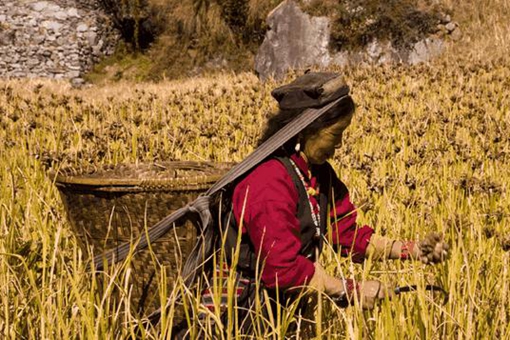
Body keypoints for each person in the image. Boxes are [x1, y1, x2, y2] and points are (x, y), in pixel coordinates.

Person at [187, 71, 449, 338]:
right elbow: (282, 269)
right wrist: (350, 289)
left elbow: (345, 233)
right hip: (241, 312)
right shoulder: (268, 181)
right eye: (336, 134)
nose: (340, 144)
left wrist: (411, 250)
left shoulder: (316, 173)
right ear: (307, 129)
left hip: (281, 307)